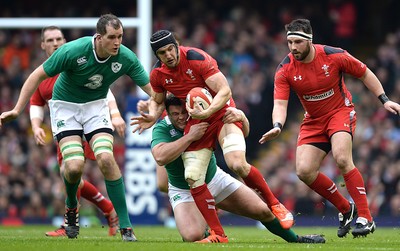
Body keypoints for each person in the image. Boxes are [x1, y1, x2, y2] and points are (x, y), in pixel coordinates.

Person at [0, 14, 153, 241]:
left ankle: (126, 227)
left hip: (95, 108)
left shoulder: (126, 57)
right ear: (98, 38)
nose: (117, 42)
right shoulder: (73, 51)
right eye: (112, 37)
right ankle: (71, 209)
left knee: (106, 158)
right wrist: (16, 110)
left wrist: (158, 109)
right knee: (73, 168)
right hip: (66, 107)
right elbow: (35, 77)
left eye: (120, 36)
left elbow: (153, 89)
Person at [131, 30, 293, 242]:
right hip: (197, 122)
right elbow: (158, 99)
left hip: (223, 115)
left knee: (236, 163)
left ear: (177, 44)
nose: (169, 55)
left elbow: (225, 91)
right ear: (157, 56)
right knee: (193, 175)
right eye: (163, 52)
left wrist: (209, 113)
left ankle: (274, 204)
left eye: (171, 49)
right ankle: (218, 233)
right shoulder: (158, 75)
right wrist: (152, 115)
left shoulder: (197, 58)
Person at [259, 18, 400, 238]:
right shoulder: (285, 69)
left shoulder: (334, 55)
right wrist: (278, 125)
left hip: (339, 113)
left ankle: (366, 217)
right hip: (313, 120)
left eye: (297, 42)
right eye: (290, 43)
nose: (293, 47)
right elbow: (279, 104)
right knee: (304, 171)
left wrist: (384, 100)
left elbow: (364, 73)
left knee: (343, 158)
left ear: (310, 40)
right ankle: (345, 208)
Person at [151, 94, 325, 244]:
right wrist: (190, 137)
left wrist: (242, 117)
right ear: (167, 113)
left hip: (214, 179)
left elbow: (244, 132)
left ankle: (296, 239)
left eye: (184, 113)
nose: (181, 117)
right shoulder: (162, 128)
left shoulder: (203, 115)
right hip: (183, 189)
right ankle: (206, 225)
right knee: (192, 235)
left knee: (263, 211)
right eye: (175, 114)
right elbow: (160, 156)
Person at [30, 26, 121, 237]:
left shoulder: (78, 63)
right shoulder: (43, 74)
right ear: (43, 45)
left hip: (87, 126)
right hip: (65, 129)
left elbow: (103, 90)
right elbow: (36, 102)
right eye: (50, 40)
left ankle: (71, 222)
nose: (55, 43)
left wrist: (115, 114)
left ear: (65, 41)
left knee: (70, 172)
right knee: (71, 175)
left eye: (59, 38)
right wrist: (36, 126)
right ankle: (107, 209)